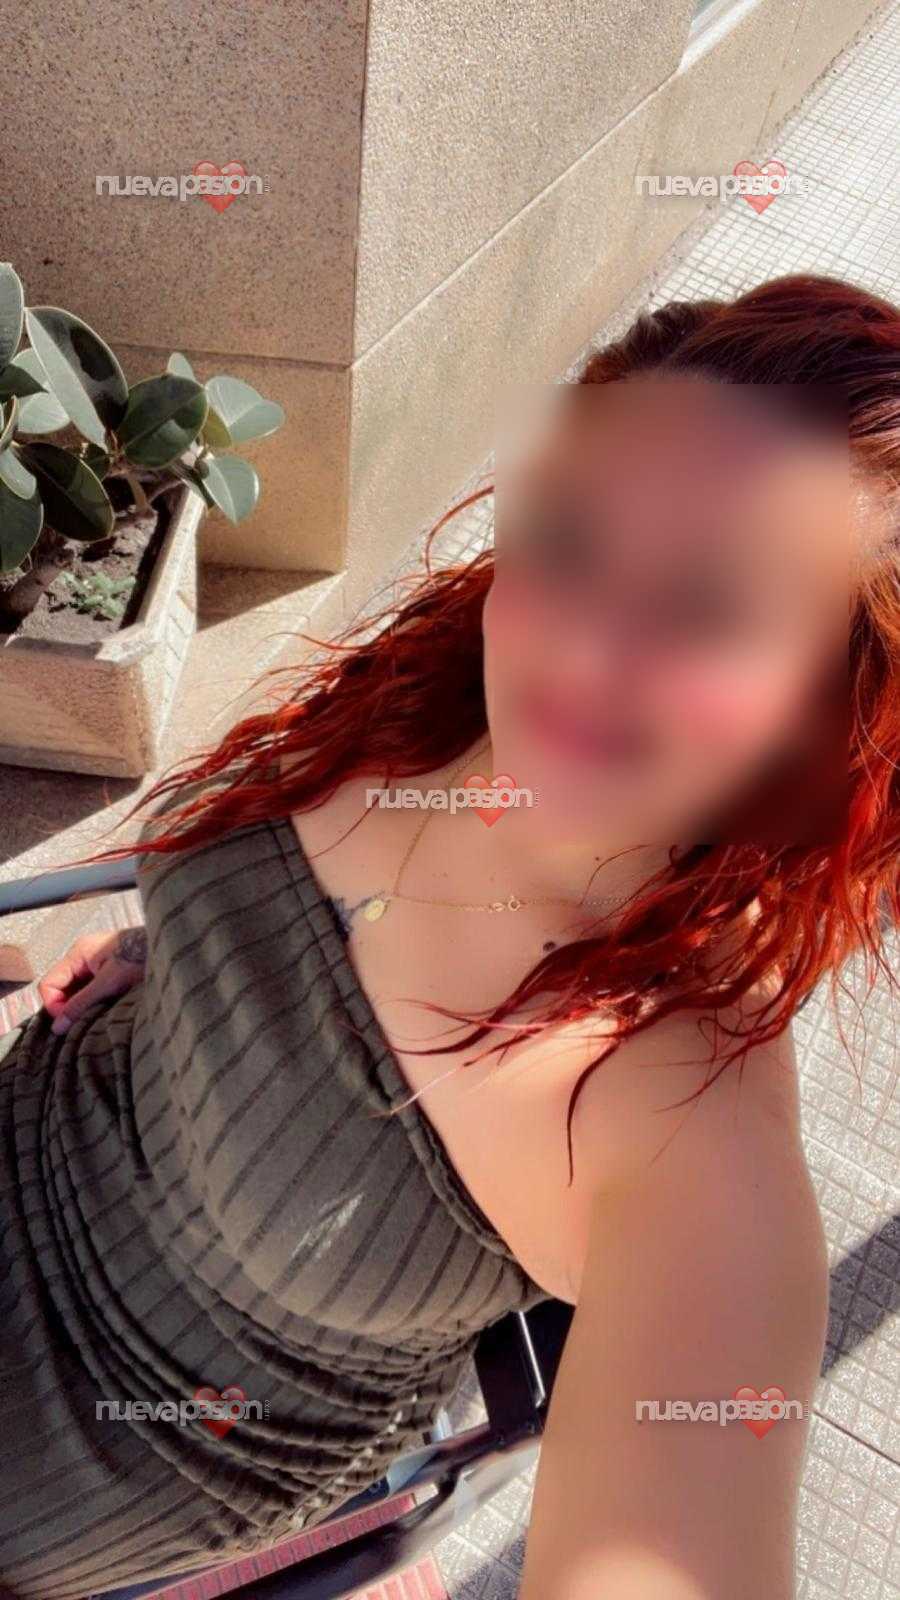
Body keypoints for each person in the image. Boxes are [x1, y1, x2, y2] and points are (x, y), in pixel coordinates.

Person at [1, 272, 897, 1600]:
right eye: (573, 543)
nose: (584, 650)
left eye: (706, 610)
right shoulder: (430, 699)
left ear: (836, 697)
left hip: (79, 1450)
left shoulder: (682, 1135)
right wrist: (164, 969)